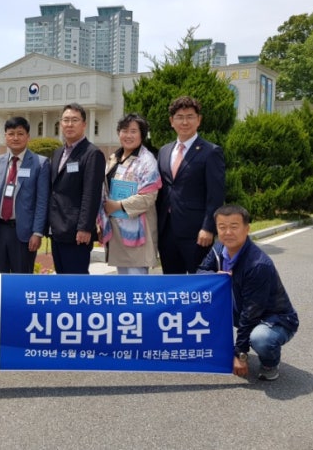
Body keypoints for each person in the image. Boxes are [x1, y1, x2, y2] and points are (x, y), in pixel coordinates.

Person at [198, 204, 299, 381]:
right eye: (222, 227)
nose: (228, 232)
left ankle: (269, 363)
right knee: (202, 302)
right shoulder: (218, 248)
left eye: (234, 227)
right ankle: (218, 350)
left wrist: (240, 354)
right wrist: (214, 276)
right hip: (242, 307)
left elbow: (251, 313)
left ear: (247, 229)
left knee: (260, 338)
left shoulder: (258, 264)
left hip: (275, 318)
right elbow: (200, 272)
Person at [156, 96, 225, 274]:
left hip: (196, 233)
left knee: (199, 283)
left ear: (199, 120)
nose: (184, 122)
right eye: (179, 117)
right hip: (167, 231)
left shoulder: (211, 152)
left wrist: (208, 228)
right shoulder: (164, 151)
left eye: (190, 116)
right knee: (171, 284)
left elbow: (215, 195)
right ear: (172, 121)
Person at [0, 117, 50, 273]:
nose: (15, 138)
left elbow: (42, 202)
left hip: (24, 233)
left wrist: (37, 232)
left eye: (20, 133)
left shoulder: (40, 163)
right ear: (5, 136)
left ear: (28, 137)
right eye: (11, 133)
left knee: (22, 282)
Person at [97, 114, 161, 274]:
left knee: (136, 282)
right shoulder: (114, 157)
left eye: (133, 131)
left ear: (142, 134)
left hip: (137, 231)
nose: (128, 135)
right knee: (123, 282)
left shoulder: (147, 161)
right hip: (116, 229)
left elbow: (148, 197)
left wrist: (118, 205)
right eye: (124, 131)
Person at [48, 103, 106, 274]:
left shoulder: (92, 153)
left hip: (76, 232)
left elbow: (91, 193)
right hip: (57, 228)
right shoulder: (58, 152)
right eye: (66, 120)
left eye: (74, 120)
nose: (69, 124)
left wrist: (85, 227)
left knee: (76, 282)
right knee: (62, 278)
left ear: (84, 124)